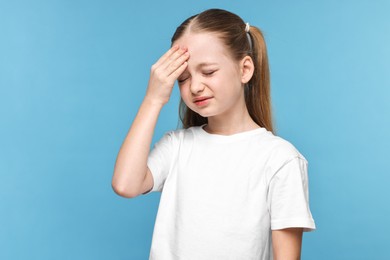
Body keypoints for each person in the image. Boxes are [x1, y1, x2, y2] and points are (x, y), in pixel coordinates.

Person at [112, 8, 316, 260]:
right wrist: (153, 99)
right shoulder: (177, 146)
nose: (195, 86)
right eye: (183, 78)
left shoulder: (280, 159)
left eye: (208, 72)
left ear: (245, 69)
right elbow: (125, 185)